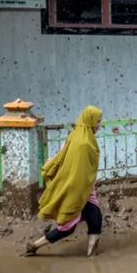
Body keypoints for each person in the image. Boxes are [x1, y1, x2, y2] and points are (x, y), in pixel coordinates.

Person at [23, 106, 103, 257]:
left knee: (95, 219)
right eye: (97, 122)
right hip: (77, 191)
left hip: (86, 191)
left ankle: (92, 257)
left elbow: (63, 156)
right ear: (90, 121)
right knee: (67, 227)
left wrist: (53, 161)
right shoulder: (83, 144)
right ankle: (34, 246)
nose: (99, 125)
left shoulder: (77, 137)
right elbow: (73, 167)